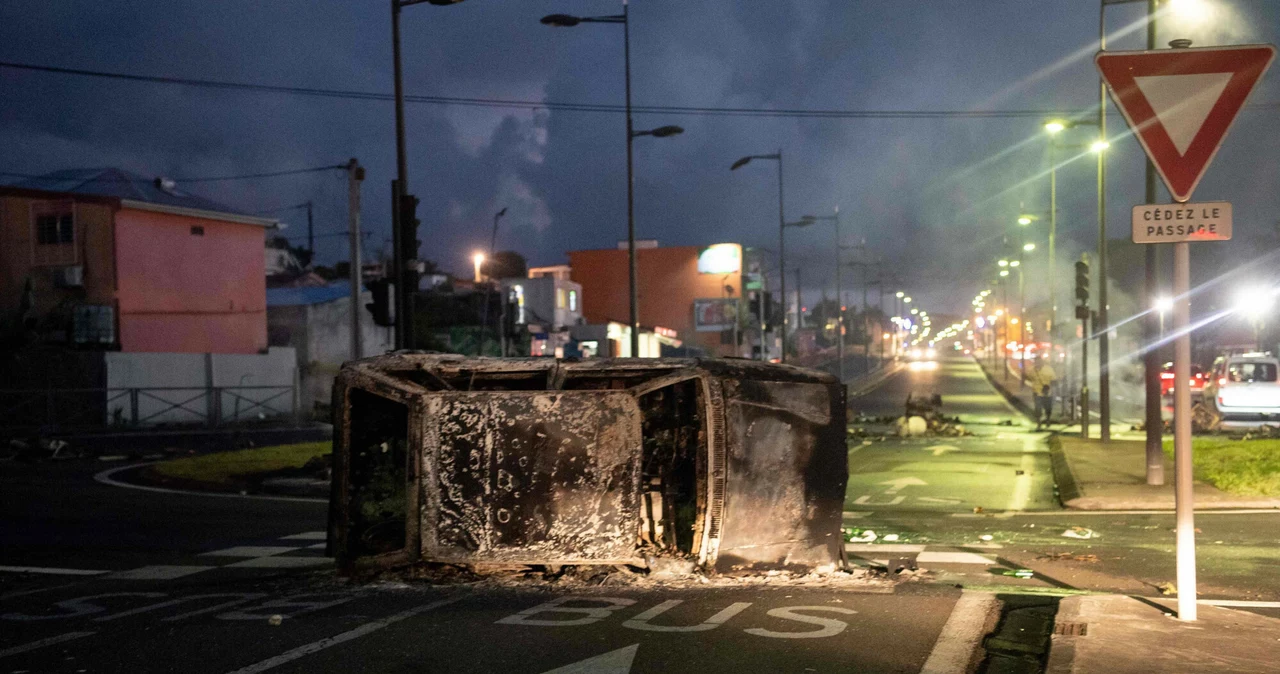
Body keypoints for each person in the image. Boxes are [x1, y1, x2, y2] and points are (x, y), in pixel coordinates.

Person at [1028, 355, 1057, 430]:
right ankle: (1039, 423)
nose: (1037, 363)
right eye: (1036, 362)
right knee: (1038, 408)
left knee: (1048, 408)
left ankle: (1047, 420)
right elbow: (1030, 378)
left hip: (1047, 393)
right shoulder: (1032, 370)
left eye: (1038, 361)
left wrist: (1048, 387)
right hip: (1037, 392)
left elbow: (1054, 379)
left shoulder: (1049, 369)